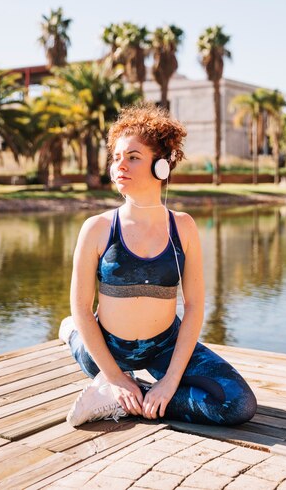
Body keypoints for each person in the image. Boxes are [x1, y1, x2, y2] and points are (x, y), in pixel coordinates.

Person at [59, 103, 257, 427]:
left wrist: (169, 382)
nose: (120, 164)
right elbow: (81, 307)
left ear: (161, 167)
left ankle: (129, 397)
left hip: (165, 344)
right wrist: (114, 376)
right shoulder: (96, 228)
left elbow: (193, 306)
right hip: (108, 346)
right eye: (117, 157)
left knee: (238, 403)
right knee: (79, 334)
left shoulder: (183, 227)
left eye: (133, 157)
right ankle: (72, 339)